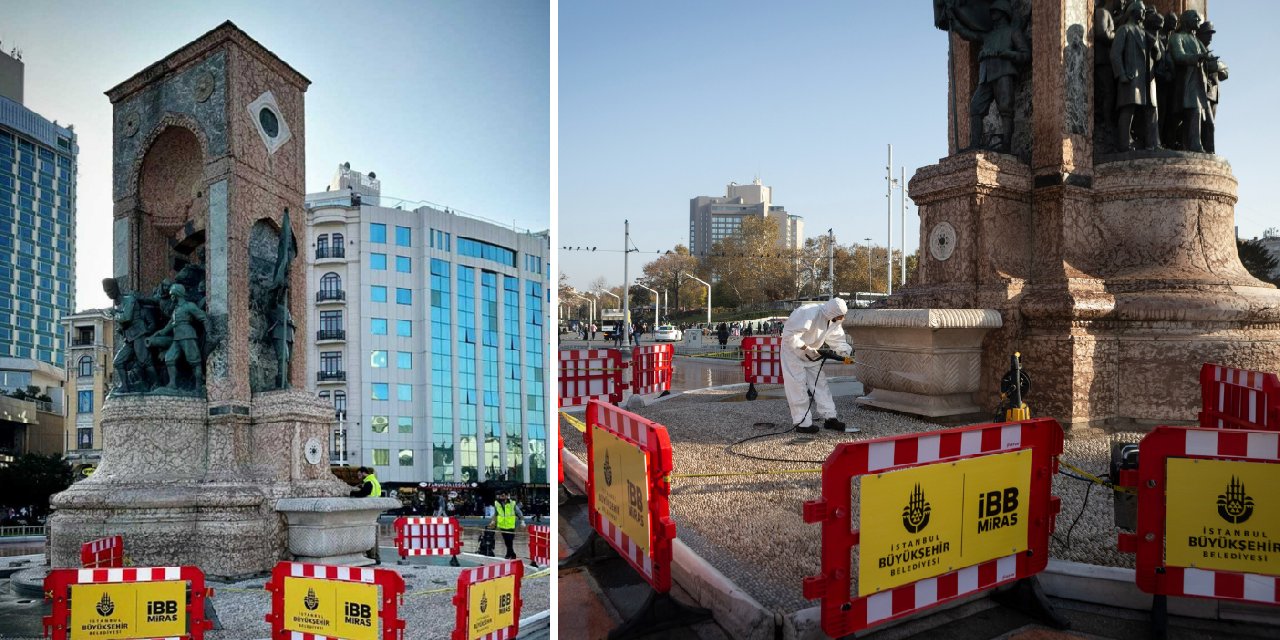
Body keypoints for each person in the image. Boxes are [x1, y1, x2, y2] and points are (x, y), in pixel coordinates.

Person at [950, 0, 1029, 153]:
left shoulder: (1012, 32)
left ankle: (1006, 145)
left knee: (1006, 108)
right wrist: (953, 19)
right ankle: (975, 143)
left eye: (995, 11)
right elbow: (968, 34)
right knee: (975, 107)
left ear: (1003, 13)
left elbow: (1025, 54)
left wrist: (1008, 54)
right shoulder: (989, 35)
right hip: (985, 76)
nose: (992, 14)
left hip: (1003, 72)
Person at [781, 298, 854, 434]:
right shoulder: (807, 313)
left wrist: (843, 349)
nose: (840, 319)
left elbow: (835, 337)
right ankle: (802, 423)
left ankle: (830, 417)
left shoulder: (833, 318)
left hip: (813, 353)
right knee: (797, 386)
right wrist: (806, 349)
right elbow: (790, 336)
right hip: (793, 353)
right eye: (838, 317)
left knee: (821, 385)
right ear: (832, 313)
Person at [1111, 0, 1160, 152]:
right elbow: (1115, 54)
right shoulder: (1124, 30)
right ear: (1133, 12)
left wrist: (1155, 45)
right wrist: (1121, 74)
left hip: (1146, 80)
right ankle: (1124, 144)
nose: (1144, 13)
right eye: (1142, 10)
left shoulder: (1146, 33)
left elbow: (1157, 57)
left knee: (1150, 112)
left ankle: (1152, 144)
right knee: (1128, 110)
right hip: (1131, 77)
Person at [1169, 9, 1211, 152]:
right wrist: (1196, 58)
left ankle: (1194, 145)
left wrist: (1211, 61)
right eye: (1195, 18)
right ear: (1186, 20)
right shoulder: (1177, 37)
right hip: (1184, 82)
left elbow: (1205, 57)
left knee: (1196, 113)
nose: (1198, 20)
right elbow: (1178, 55)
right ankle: (1186, 145)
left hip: (1198, 82)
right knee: (1187, 114)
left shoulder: (1196, 40)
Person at [1196, 20, 1226, 153]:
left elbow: (1224, 71)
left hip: (1213, 95)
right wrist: (1218, 66)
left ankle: (1209, 150)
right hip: (1203, 92)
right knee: (1208, 124)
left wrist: (1219, 66)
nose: (1210, 36)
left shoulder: (1210, 54)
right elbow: (1212, 67)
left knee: (1209, 124)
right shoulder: (1198, 50)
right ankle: (1209, 151)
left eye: (1211, 33)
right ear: (1200, 34)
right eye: (1207, 33)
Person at [349, 467, 382, 563]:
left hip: (368, 511)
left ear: (364, 473)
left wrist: (353, 493)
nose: (359, 477)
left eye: (359, 475)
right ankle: (376, 556)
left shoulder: (368, 482)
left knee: (369, 534)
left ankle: (371, 556)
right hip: (375, 510)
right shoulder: (375, 481)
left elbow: (364, 493)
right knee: (374, 535)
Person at [487, 492, 525, 560]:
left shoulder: (512, 503)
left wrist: (522, 521)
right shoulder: (497, 503)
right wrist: (493, 521)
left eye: (503, 496)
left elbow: (519, 512)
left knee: (510, 540)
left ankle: (510, 554)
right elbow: (496, 514)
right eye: (500, 496)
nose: (501, 497)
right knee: (506, 540)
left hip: (511, 525)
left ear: (507, 496)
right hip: (502, 526)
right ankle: (511, 554)